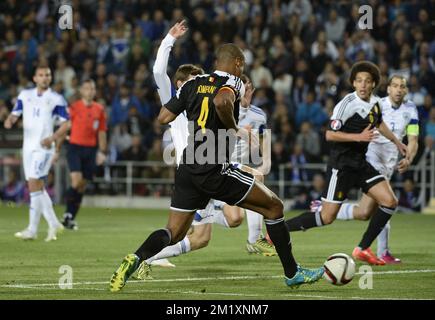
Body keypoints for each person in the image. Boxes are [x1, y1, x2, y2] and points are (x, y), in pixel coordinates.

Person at [109, 42, 324, 292]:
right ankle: (292, 273)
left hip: (188, 167)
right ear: (237, 64)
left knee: (174, 232)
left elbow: (163, 117)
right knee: (274, 206)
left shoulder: (191, 84)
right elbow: (223, 102)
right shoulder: (234, 82)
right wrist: (235, 130)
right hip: (215, 169)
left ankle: (135, 259)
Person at [135, 22, 274, 274]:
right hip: (195, 167)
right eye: (193, 80)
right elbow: (158, 71)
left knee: (222, 226)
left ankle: (146, 258)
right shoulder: (173, 98)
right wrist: (169, 39)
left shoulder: (202, 97)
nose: (200, 83)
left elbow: (224, 116)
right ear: (180, 84)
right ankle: (255, 239)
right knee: (254, 180)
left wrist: (241, 109)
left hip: (211, 163)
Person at [284, 61, 408, 266]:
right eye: (359, 81)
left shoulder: (375, 103)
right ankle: (279, 230)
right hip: (340, 166)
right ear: (353, 83)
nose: (363, 85)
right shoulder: (346, 104)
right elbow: (330, 134)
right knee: (326, 217)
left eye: (367, 81)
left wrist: (396, 141)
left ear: (374, 84)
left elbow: (378, 123)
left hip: (361, 164)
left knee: (389, 201)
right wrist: (358, 137)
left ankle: (362, 248)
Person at [333, 75, 419, 263]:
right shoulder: (377, 104)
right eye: (394, 86)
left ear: (406, 90)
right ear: (388, 88)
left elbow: (413, 139)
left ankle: (326, 209)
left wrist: (409, 157)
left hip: (389, 162)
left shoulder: (411, 109)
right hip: (372, 159)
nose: (398, 89)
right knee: (387, 203)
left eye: (402, 87)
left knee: (365, 212)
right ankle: (379, 251)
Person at [4, 65, 70, 242]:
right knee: (36, 186)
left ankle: (32, 229)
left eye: (47, 75)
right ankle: (54, 223)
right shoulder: (25, 96)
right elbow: (15, 113)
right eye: (41, 75)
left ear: (50, 77)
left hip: (44, 147)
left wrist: (53, 138)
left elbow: (66, 124)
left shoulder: (56, 99)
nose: (45, 78)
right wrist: (10, 120)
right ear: (35, 78)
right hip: (28, 147)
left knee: (34, 183)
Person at [61, 79, 108, 230]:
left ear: (94, 91)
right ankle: (67, 212)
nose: (89, 91)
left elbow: (101, 132)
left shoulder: (99, 109)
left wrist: (102, 151)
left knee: (82, 186)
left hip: (91, 150)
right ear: (81, 91)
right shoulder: (74, 108)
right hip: (74, 147)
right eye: (87, 88)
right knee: (76, 181)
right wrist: (57, 148)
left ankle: (70, 217)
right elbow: (65, 128)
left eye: (92, 89)